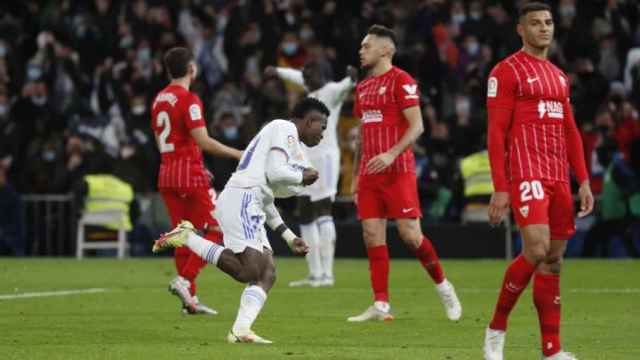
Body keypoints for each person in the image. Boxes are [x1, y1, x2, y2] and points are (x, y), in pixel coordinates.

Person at [152, 97, 329, 343]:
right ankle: (187, 236)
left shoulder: (280, 139)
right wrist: (302, 176)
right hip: (242, 197)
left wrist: (289, 236)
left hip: (250, 200)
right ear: (310, 121)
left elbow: (267, 197)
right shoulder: (285, 128)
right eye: (322, 127)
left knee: (267, 273)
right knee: (249, 270)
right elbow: (277, 173)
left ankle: (241, 330)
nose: (323, 135)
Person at [483, 3, 594, 360]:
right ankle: (496, 329)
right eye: (535, 23)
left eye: (548, 22)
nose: (544, 28)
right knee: (536, 248)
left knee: (553, 260)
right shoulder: (506, 71)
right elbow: (496, 132)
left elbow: (571, 131)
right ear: (520, 29)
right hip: (526, 172)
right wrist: (501, 186)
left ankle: (552, 350)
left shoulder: (559, 76)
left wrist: (584, 181)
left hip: (558, 176)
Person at [348, 25, 461, 322]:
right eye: (361, 46)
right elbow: (361, 133)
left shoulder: (402, 80)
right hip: (370, 173)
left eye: (367, 46)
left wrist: (390, 153)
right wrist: (356, 175)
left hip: (398, 170)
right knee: (371, 234)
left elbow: (417, 126)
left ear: (386, 50)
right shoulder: (362, 87)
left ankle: (443, 285)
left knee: (410, 236)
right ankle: (381, 304)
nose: (361, 51)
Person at [151, 47, 243, 315]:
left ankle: (189, 300)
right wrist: (238, 153)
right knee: (219, 228)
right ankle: (184, 280)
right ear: (192, 69)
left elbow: (161, 142)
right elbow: (204, 141)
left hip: (167, 173)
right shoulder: (189, 99)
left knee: (184, 235)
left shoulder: (158, 99)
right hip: (189, 176)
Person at [264, 60, 357, 287]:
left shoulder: (331, 91)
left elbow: (348, 84)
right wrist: (277, 70)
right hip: (304, 160)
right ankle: (315, 273)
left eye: (309, 73)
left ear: (322, 74)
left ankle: (327, 274)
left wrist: (352, 78)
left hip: (325, 159)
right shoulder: (312, 91)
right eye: (304, 73)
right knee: (305, 212)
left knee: (323, 210)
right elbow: (296, 76)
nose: (304, 76)